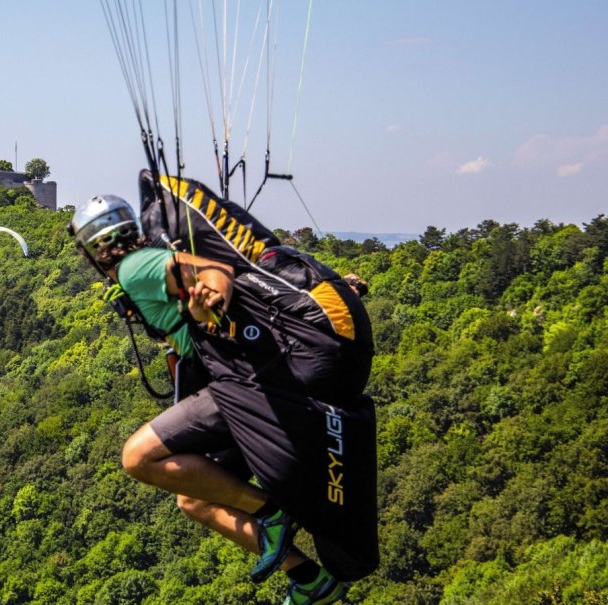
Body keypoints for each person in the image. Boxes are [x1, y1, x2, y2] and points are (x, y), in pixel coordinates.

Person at [69, 194, 377, 604]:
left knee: (137, 457)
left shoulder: (133, 267)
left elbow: (211, 271)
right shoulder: (153, 259)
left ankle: (271, 514)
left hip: (242, 383)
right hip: (240, 382)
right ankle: (310, 580)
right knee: (194, 496)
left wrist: (211, 296)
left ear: (96, 249)